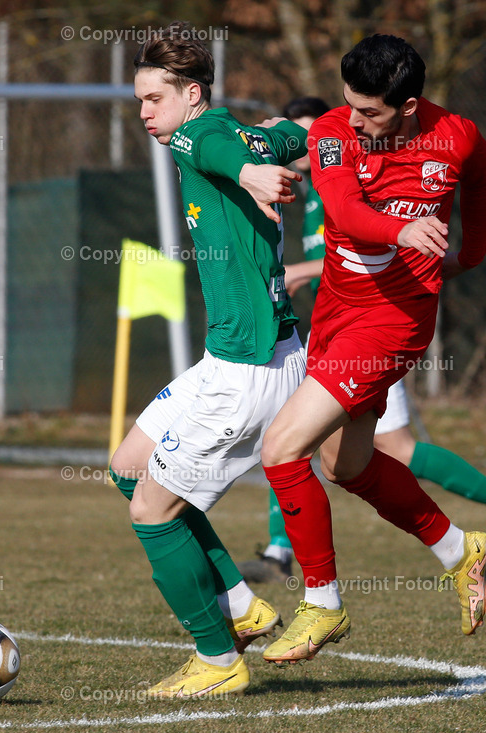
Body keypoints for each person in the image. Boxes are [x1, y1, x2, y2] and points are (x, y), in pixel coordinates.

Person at [258, 35, 486, 667]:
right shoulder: (336, 132)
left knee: (282, 448)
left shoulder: (457, 136)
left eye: (370, 112)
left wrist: (470, 254)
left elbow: (481, 178)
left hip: (392, 323)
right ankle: (460, 551)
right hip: (339, 312)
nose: (356, 121)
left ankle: (322, 604)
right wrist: (403, 227)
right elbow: (341, 208)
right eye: (349, 105)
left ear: (410, 105)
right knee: (347, 465)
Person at [238, 97, 486, 584]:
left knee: (352, 446)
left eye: (309, 137)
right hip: (334, 329)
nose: (306, 148)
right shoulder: (315, 189)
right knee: (338, 461)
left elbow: (368, 230)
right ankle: (461, 545)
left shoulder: (367, 167)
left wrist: (458, 249)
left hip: (377, 329)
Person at [107, 21, 310, 698]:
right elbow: (287, 134)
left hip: (249, 371)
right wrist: (312, 136)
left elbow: (226, 151)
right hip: (229, 358)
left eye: (152, 100)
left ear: (191, 95)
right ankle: (240, 602)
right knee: (129, 467)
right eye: (138, 101)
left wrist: (255, 174)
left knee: (152, 512)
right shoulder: (235, 131)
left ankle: (218, 660)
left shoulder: (200, 135)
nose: (143, 115)